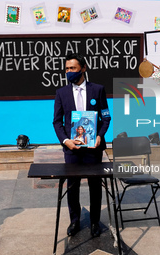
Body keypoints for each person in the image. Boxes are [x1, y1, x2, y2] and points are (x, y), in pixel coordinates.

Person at [53, 53, 111, 237]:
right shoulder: (61, 93)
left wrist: (100, 136)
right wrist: (65, 141)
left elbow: (106, 117)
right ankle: (75, 221)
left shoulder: (98, 90)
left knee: (95, 185)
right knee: (72, 186)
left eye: (73, 68)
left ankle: (95, 222)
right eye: (67, 69)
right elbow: (57, 121)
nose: (69, 72)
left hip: (93, 148)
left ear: (83, 68)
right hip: (72, 149)